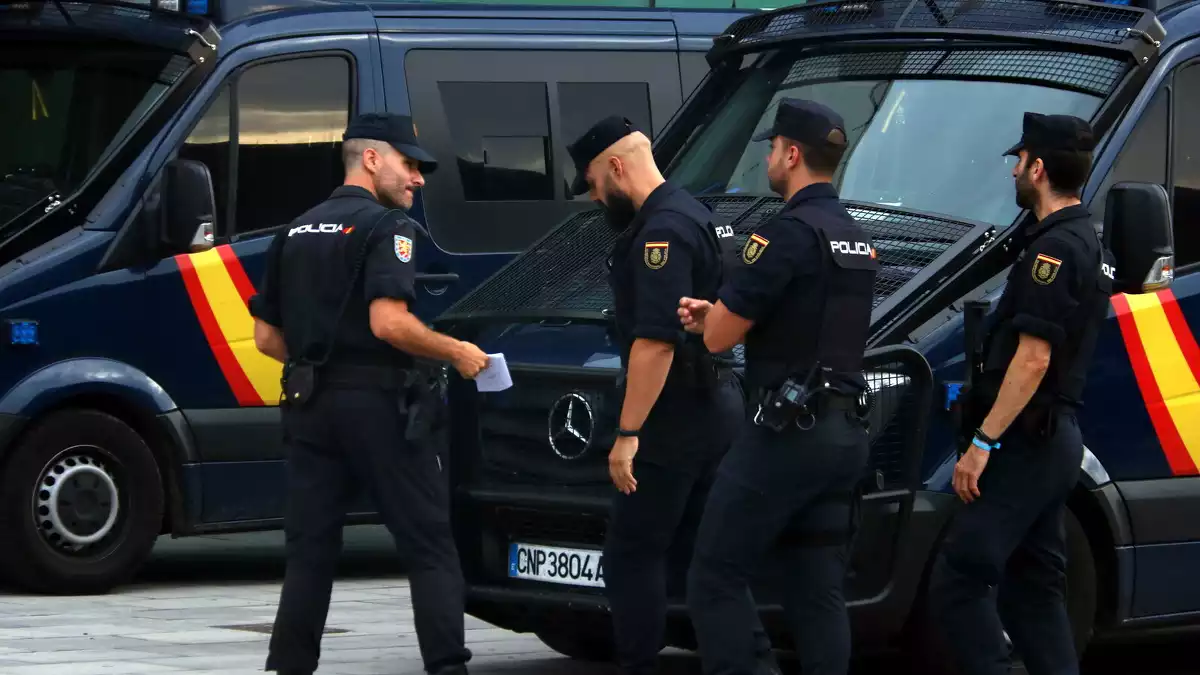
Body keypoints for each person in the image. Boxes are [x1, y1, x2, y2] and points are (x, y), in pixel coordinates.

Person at [248, 112, 490, 675]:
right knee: (429, 542)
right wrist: (454, 351)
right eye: (409, 165)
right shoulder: (389, 229)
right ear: (372, 159)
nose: (419, 179)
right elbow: (388, 323)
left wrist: (321, 362)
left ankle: (288, 667)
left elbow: (266, 338)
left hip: (309, 407)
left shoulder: (296, 229)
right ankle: (448, 667)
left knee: (310, 551)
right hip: (379, 404)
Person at [565, 116, 778, 675]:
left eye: (591, 181)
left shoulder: (661, 231)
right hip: (716, 406)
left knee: (631, 557)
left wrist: (629, 433)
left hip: (674, 416)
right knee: (709, 563)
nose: (593, 195)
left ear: (615, 166)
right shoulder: (698, 214)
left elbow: (655, 342)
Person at [677, 98, 878, 675]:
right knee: (817, 588)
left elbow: (718, 338)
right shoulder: (855, 239)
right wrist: (718, 313)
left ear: (792, 155)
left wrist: (708, 318)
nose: (768, 157)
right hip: (843, 434)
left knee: (713, 574)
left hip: (786, 433)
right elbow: (807, 317)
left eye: (772, 148)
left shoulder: (781, 236)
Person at [929, 112, 1111, 675]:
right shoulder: (1077, 239)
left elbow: (1032, 359)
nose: (1012, 170)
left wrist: (983, 443)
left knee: (959, 579)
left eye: (1019, 160)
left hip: (1026, 443)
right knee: (1034, 590)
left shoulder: (1053, 253)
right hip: (1052, 441)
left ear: (1038, 167)